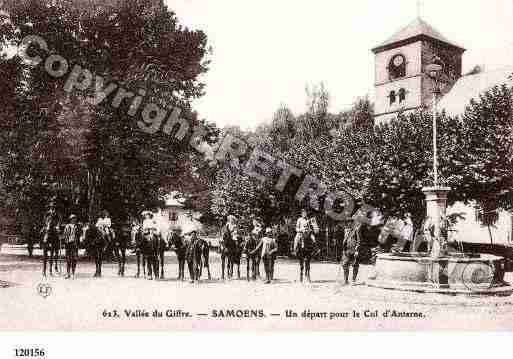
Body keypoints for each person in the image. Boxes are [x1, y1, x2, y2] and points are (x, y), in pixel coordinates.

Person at [342, 219, 363, 286]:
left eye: (350, 222)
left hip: (354, 250)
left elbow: (359, 241)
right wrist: (343, 249)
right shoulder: (346, 230)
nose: (349, 224)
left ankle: (353, 280)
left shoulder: (356, 230)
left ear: (352, 223)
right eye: (348, 222)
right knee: (345, 265)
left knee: (355, 265)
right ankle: (346, 280)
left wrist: (357, 250)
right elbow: (344, 240)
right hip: (347, 250)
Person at [63, 214, 79, 279]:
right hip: (68, 244)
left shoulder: (77, 226)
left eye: (74, 219)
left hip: (75, 244)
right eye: (72, 219)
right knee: (68, 259)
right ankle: (68, 273)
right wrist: (65, 239)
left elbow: (79, 235)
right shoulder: (67, 226)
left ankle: (73, 273)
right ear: (70, 220)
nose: (74, 220)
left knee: (74, 259)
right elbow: (65, 234)